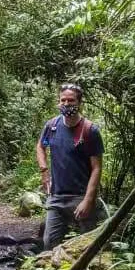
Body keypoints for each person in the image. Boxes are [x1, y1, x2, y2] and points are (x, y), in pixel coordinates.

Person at [36, 83, 103, 250]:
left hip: (81, 196)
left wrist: (88, 200)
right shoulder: (51, 126)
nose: (66, 104)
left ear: (79, 103)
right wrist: (44, 171)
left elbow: (96, 167)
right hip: (56, 197)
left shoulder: (90, 130)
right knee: (49, 245)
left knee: (88, 247)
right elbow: (41, 146)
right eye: (62, 100)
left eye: (71, 100)